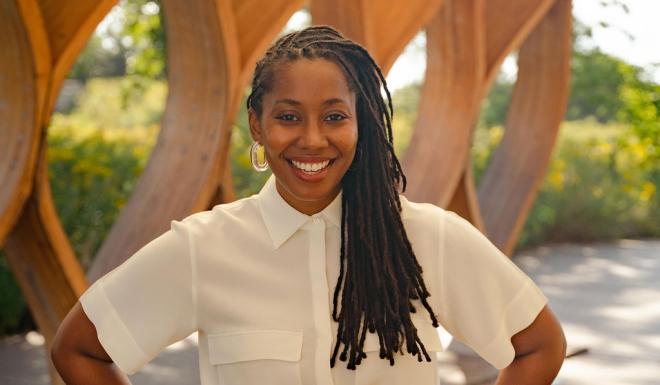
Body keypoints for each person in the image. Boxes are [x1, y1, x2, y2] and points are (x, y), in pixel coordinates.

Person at [51, 25, 566, 385]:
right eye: (289, 117)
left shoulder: (428, 237)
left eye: (335, 117)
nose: (313, 140)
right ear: (257, 124)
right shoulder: (203, 248)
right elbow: (79, 349)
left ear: (361, 122)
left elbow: (540, 345)